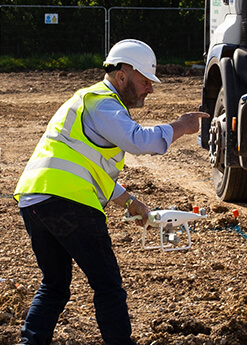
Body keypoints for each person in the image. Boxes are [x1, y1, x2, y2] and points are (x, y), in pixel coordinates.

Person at [12, 39, 209, 345]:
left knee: (55, 285)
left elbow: (87, 167)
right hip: (69, 201)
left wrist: (129, 201)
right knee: (107, 286)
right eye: (145, 81)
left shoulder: (86, 103)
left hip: (35, 200)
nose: (150, 90)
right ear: (122, 75)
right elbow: (138, 141)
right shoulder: (103, 101)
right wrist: (180, 126)